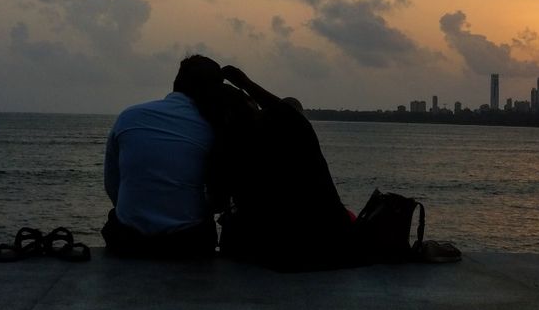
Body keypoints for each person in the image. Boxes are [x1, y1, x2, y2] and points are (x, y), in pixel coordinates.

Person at [216, 65, 364, 271]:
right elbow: (284, 111)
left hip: (279, 253)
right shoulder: (297, 131)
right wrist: (245, 83)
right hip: (328, 248)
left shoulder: (235, 150)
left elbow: (218, 201)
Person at [102, 55, 223, 258]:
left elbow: (113, 183)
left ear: (177, 83)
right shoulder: (210, 128)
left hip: (127, 240)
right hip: (187, 244)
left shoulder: (128, 116)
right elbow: (217, 200)